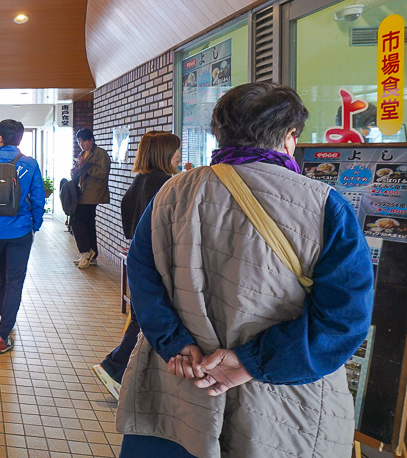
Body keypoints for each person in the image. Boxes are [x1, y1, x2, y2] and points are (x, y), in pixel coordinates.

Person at [118, 83, 374, 458]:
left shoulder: (172, 193)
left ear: (218, 133)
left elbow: (142, 275)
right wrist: (249, 362)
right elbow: (344, 317)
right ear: (289, 137)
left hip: (179, 389)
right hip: (282, 407)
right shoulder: (325, 206)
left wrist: (177, 344)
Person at [91, 131, 180, 399]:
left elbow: (129, 215)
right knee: (145, 320)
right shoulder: (164, 183)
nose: (179, 154)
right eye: (176, 150)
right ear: (164, 153)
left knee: (143, 318)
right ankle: (115, 369)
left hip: (140, 260)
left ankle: (120, 371)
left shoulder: (140, 180)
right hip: (157, 261)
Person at [0, 119, 45, 354]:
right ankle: (3, 333)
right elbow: (38, 198)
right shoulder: (30, 164)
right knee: (15, 280)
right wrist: (36, 223)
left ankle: (6, 319)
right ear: (20, 139)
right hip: (21, 230)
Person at [71, 129, 111, 269]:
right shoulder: (83, 153)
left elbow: (103, 172)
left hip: (93, 194)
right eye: (79, 142)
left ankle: (85, 252)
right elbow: (77, 172)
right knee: (88, 223)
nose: (81, 144)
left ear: (91, 140)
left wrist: (85, 166)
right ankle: (92, 255)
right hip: (83, 193)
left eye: (84, 141)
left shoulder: (100, 153)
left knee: (76, 220)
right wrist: (75, 169)